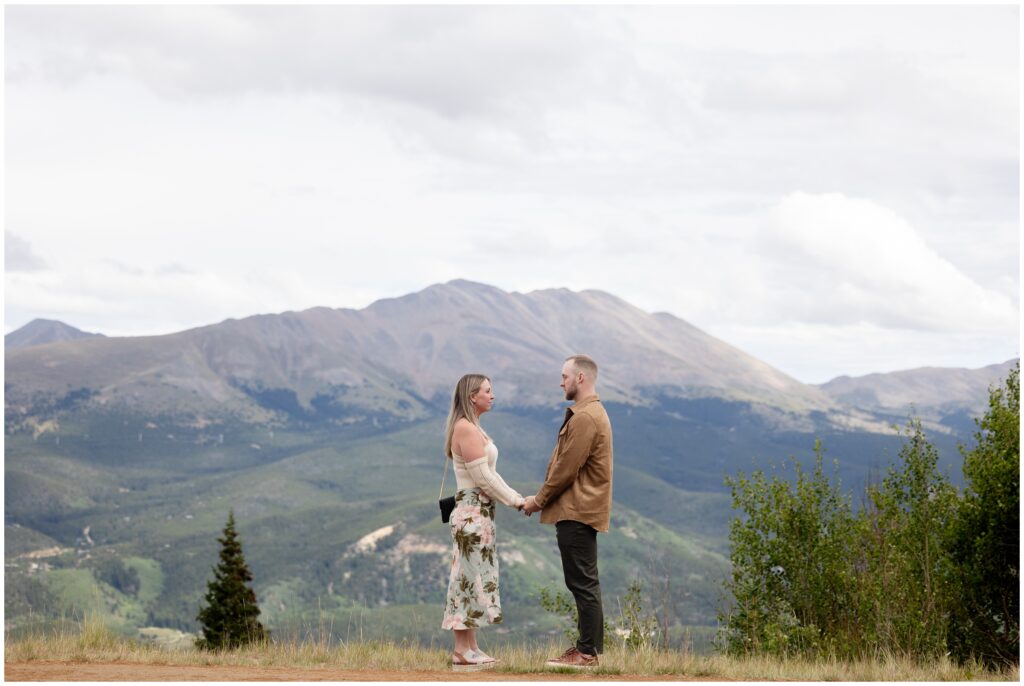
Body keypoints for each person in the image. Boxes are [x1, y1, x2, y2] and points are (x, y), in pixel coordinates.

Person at [522, 354, 613, 669]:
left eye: (564, 376)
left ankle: (587, 653)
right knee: (583, 582)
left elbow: (565, 470)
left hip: (577, 511)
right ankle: (586, 649)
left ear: (581, 378)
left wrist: (538, 500)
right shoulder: (587, 414)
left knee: (583, 583)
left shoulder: (586, 417)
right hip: (578, 510)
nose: (560, 382)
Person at [441, 373, 526, 670]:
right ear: (472, 396)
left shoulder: (473, 427)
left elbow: (491, 475)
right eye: (488, 391)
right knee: (466, 578)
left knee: (473, 577)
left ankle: (470, 647)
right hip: (471, 513)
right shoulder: (466, 429)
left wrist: (515, 496)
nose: (492, 396)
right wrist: (517, 501)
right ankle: (462, 650)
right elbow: (483, 478)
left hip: (480, 513)